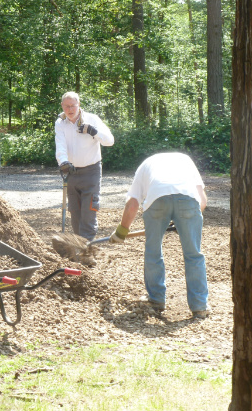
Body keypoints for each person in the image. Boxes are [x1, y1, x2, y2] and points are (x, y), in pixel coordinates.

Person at [109, 152, 209, 318]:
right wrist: (184, 222)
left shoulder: (145, 166)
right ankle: (199, 306)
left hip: (157, 200)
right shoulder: (186, 160)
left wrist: (122, 231)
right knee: (194, 255)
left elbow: (132, 205)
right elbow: (202, 201)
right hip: (188, 201)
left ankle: (156, 300)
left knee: (153, 251)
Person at [55, 91, 114, 240]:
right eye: (66, 106)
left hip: (91, 171)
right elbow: (60, 146)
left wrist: (93, 132)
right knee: (75, 211)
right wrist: (63, 162)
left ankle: (87, 249)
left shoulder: (92, 119)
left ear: (79, 105)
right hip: (71, 171)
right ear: (62, 106)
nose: (70, 109)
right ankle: (78, 246)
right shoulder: (60, 123)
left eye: (72, 106)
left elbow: (109, 140)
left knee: (89, 210)